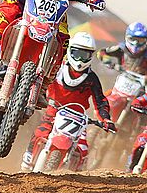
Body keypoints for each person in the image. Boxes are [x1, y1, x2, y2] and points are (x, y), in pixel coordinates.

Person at [20, 32, 114, 171]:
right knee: (40, 133)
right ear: (70, 51)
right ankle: (26, 163)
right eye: (77, 54)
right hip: (53, 110)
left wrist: (106, 119)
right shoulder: (57, 68)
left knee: (83, 149)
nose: (80, 60)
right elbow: (39, 82)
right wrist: (30, 96)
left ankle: (77, 177)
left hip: (78, 118)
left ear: (91, 56)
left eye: (85, 55)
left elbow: (100, 101)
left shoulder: (92, 79)